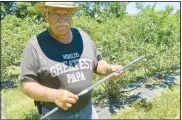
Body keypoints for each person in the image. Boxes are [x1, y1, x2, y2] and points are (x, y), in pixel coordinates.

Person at [20, 2, 123, 119]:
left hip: (87, 111)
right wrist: (54, 96)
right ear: (46, 15)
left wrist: (109, 69)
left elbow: (97, 64)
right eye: (56, 14)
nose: (62, 20)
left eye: (67, 14)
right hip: (56, 114)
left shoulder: (83, 37)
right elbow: (26, 84)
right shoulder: (35, 46)